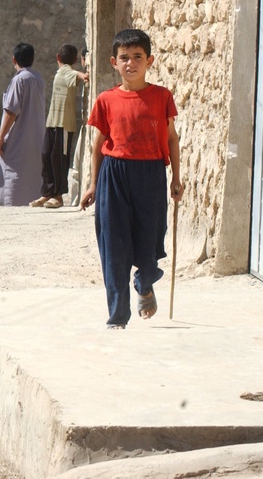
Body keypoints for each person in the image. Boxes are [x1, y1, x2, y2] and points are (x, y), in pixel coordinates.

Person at [80, 28, 183, 330]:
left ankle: (145, 281)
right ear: (114, 62)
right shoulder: (106, 100)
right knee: (114, 245)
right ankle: (117, 317)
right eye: (124, 57)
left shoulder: (161, 97)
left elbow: (172, 139)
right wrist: (93, 184)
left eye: (137, 57)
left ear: (149, 60)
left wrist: (177, 177)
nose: (131, 63)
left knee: (150, 243)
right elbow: (98, 145)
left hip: (150, 174)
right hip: (114, 174)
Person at [32, 44, 88, 209]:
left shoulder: (66, 71)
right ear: (76, 59)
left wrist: (83, 75)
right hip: (53, 122)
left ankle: (58, 195)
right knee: (47, 155)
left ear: (58, 57)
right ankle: (47, 192)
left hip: (64, 123)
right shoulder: (61, 72)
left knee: (59, 159)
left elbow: (75, 74)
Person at [0, 42, 46, 206]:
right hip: (35, 138)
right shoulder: (38, 79)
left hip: (17, 138)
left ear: (14, 59)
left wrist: (0, 137)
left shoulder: (19, 80)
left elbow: (11, 111)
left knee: (12, 176)